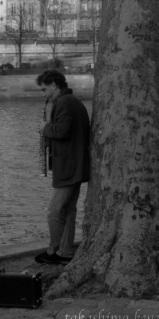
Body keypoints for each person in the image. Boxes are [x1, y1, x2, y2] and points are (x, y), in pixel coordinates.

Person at [35, 69, 91, 265]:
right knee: (68, 210)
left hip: (68, 166)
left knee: (54, 210)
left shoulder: (64, 102)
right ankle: (65, 252)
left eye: (44, 90)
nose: (44, 94)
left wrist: (45, 128)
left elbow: (63, 130)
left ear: (53, 86)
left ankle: (53, 251)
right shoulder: (71, 101)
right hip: (76, 164)